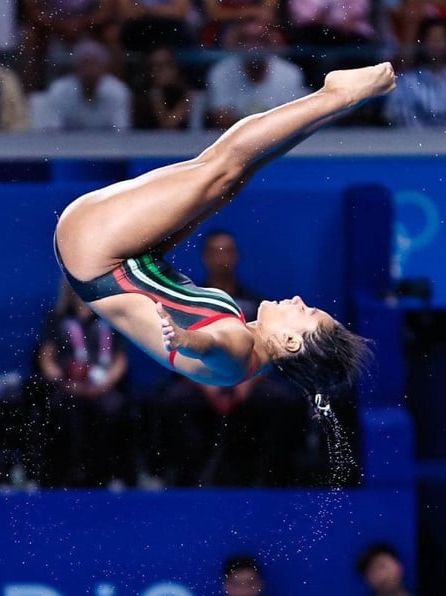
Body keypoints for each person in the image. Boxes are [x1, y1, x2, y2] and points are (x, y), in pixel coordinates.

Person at [53, 62, 394, 417]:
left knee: (222, 168)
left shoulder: (240, 348)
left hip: (97, 248)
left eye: (305, 311)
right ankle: (333, 106)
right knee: (234, 176)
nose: (297, 299)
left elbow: (216, 345)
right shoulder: (246, 348)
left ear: (291, 343)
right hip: (115, 257)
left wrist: (188, 340)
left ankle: (337, 96)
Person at [160, 229, 308, 486]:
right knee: (172, 401)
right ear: (204, 257)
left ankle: (271, 481)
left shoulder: (257, 304)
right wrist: (209, 383)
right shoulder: (189, 300)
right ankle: (183, 480)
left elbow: (271, 352)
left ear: (237, 256)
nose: (222, 258)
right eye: (215, 251)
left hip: (247, 380)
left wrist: (243, 381)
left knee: (282, 401)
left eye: (227, 250)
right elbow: (197, 344)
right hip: (200, 378)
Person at [36, 279, 133, 488]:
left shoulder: (110, 317)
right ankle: (66, 475)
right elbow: (46, 358)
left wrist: (105, 384)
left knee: (115, 409)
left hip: (104, 387)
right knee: (63, 410)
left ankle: (111, 476)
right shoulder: (57, 318)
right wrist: (65, 382)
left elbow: (120, 358)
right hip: (68, 386)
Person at [204, 16, 311, 129]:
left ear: (271, 42)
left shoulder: (290, 73)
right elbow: (222, 120)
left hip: (277, 139)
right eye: (247, 40)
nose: (254, 47)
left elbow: (291, 120)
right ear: (238, 42)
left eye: (260, 40)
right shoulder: (220, 72)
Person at [384, 16, 446, 129]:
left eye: (441, 38)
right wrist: (428, 142)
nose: (437, 44)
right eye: (432, 39)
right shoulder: (405, 82)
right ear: (422, 43)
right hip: (416, 144)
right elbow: (403, 118)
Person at [42, 38, 133, 130]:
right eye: (85, 65)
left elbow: (121, 132)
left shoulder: (118, 91)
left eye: (95, 65)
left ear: (104, 68)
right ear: (76, 68)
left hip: (107, 144)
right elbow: (52, 130)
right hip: (68, 144)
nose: (90, 71)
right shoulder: (59, 90)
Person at [131, 46, 200, 130]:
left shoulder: (190, 94)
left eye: (162, 66)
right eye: (153, 66)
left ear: (174, 68)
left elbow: (169, 125)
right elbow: (166, 125)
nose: (156, 71)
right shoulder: (142, 97)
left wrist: (187, 100)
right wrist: (156, 96)